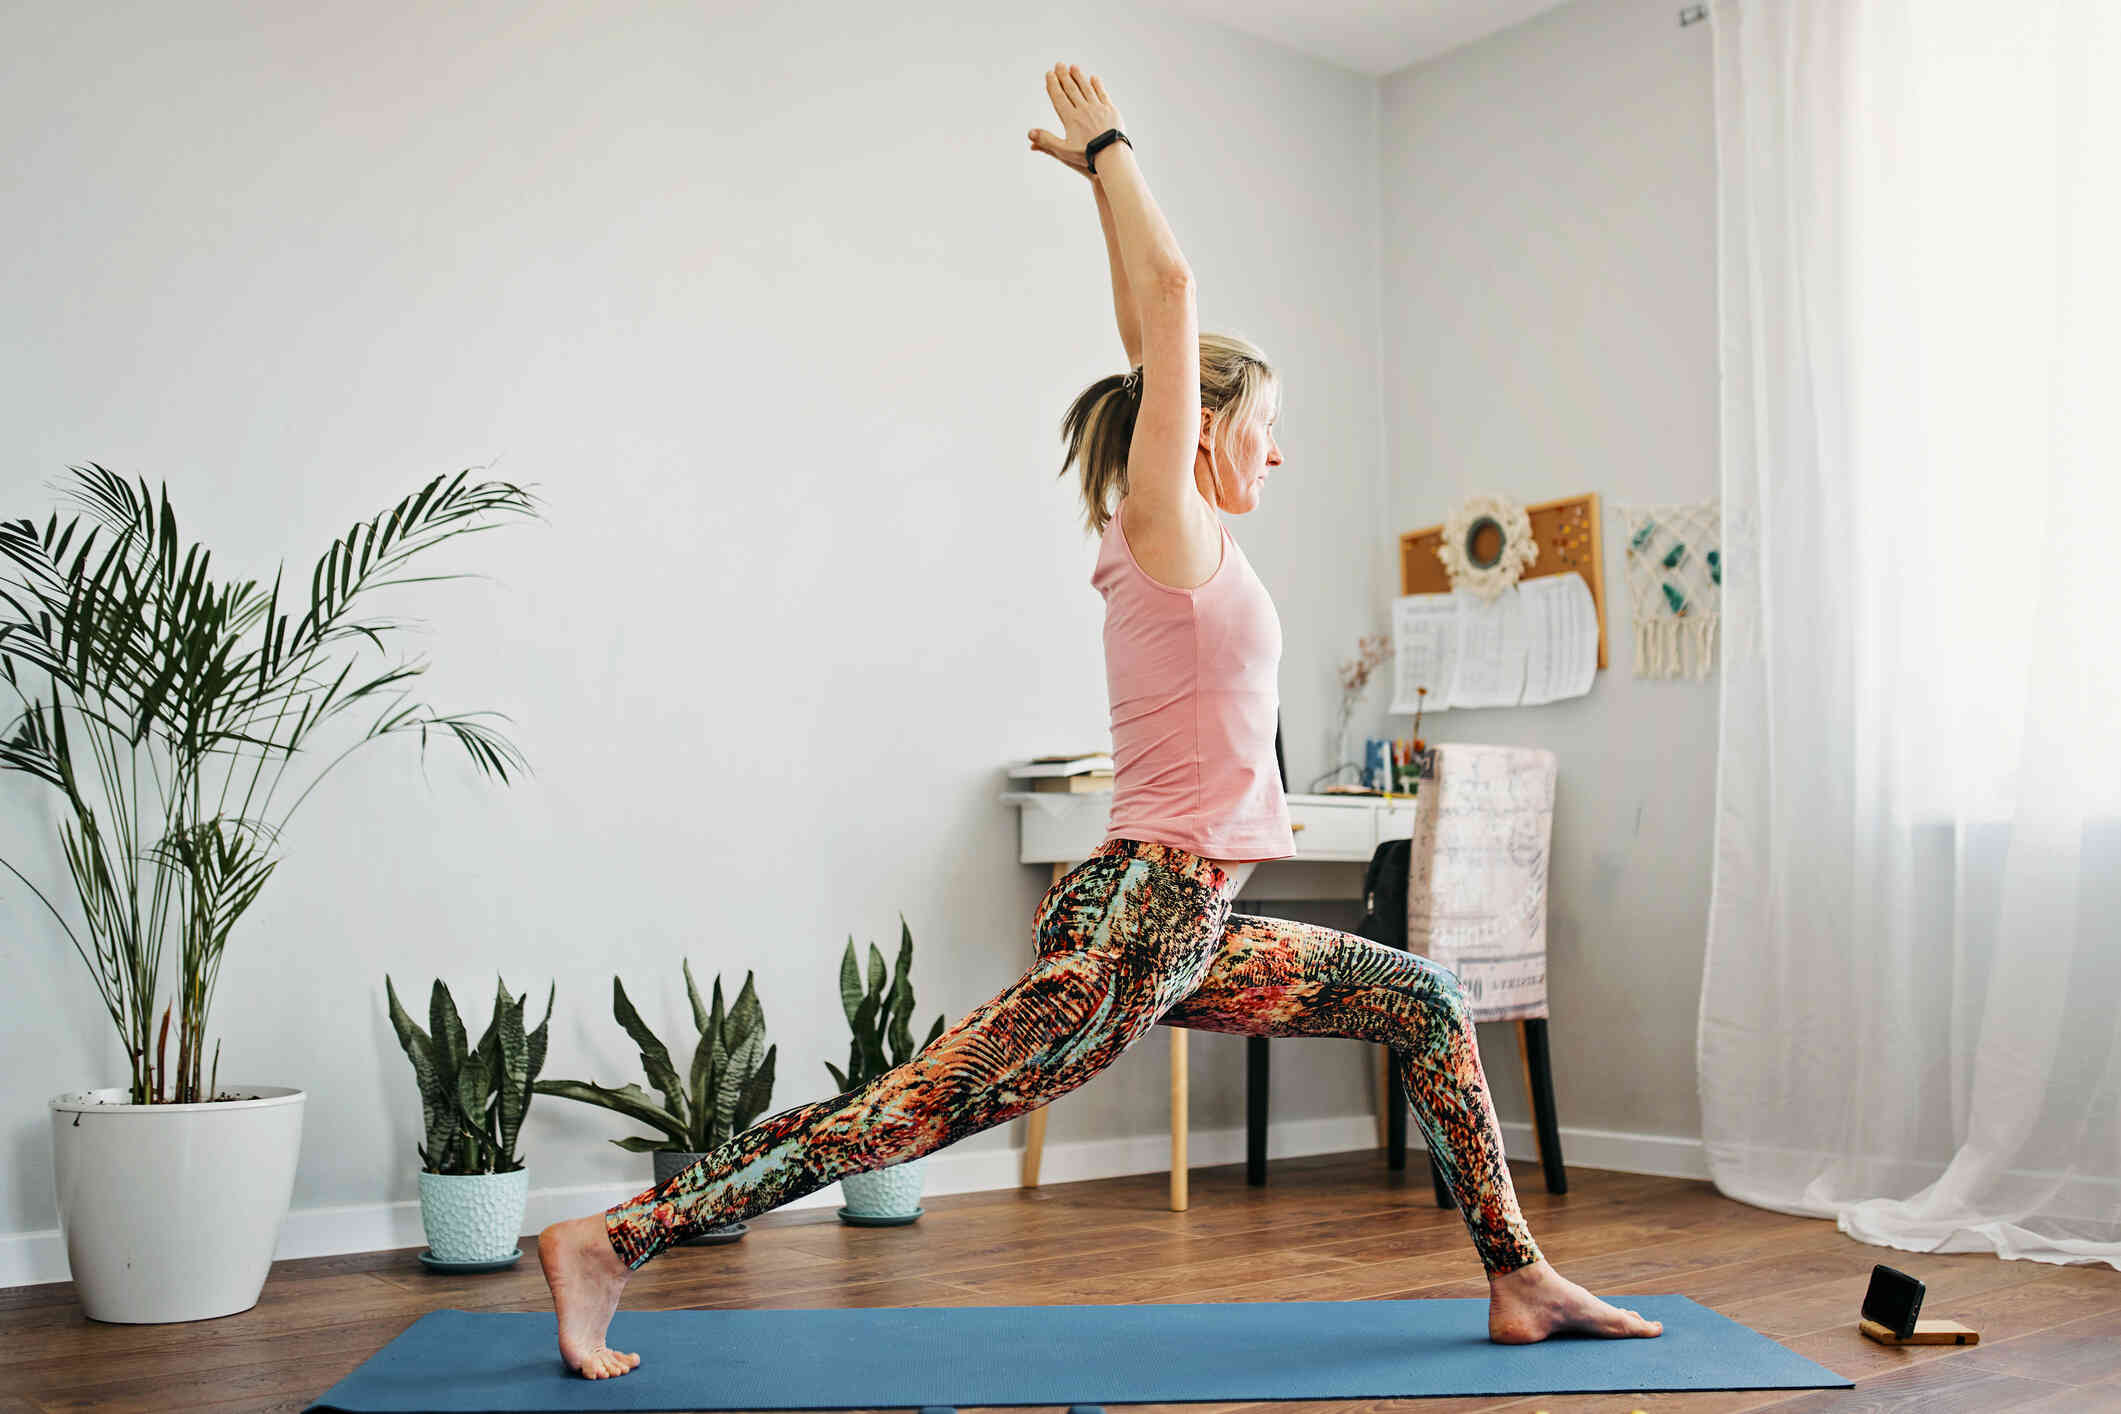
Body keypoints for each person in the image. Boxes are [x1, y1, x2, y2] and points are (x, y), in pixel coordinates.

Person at [534, 61, 1663, 1381]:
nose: (1278, 453)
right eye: (1268, 426)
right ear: (1204, 430)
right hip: (1144, 911)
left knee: (1420, 998)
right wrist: (1114, 148)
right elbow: (1172, 309)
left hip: (1181, 920)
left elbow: (1148, 326)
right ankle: (617, 1236)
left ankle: (1517, 1276)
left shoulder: (1182, 533)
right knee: (909, 1112)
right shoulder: (1165, 522)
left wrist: (1097, 196)